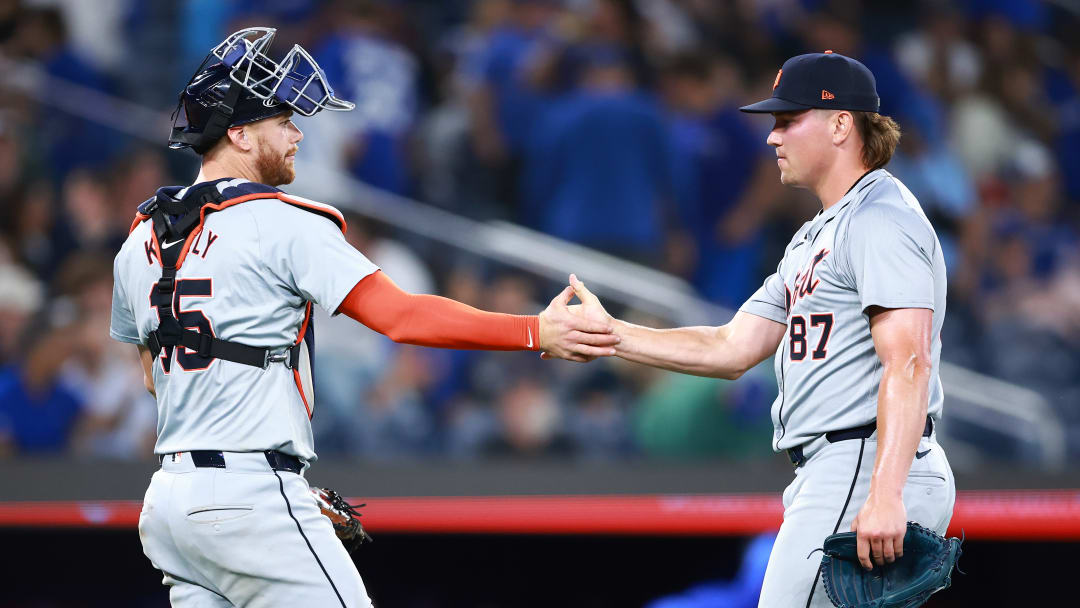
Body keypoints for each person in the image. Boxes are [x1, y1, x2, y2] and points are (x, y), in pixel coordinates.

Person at [108, 27, 614, 607]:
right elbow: (401, 317)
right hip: (249, 498)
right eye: (284, 121)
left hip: (172, 506)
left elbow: (154, 374)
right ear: (240, 133)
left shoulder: (139, 239)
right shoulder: (282, 222)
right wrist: (533, 330)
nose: (298, 134)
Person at [562, 51, 956, 607]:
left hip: (865, 461)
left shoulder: (879, 218)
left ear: (842, 124)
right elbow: (731, 346)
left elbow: (908, 360)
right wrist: (613, 334)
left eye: (788, 120)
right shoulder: (813, 237)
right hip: (840, 466)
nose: (773, 137)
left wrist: (886, 492)